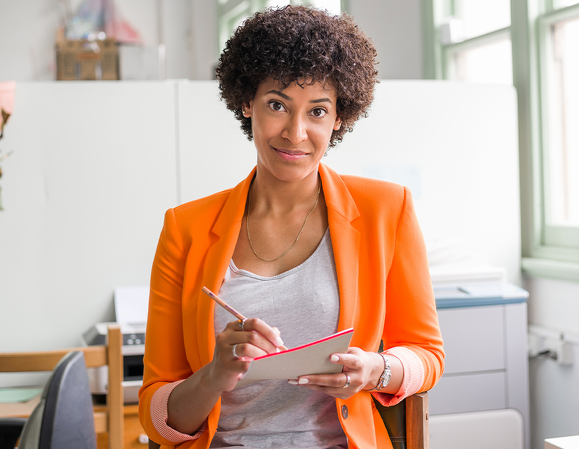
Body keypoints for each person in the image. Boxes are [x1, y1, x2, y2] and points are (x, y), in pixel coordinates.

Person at [137, 5, 444, 449]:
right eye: (278, 105)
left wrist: (375, 370)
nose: (296, 133)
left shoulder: (386, 209)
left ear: (340, 117)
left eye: (317, 111)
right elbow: (156, 418)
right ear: (248, 103)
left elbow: (427, 355)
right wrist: (215, 374)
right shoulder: (185, 228)